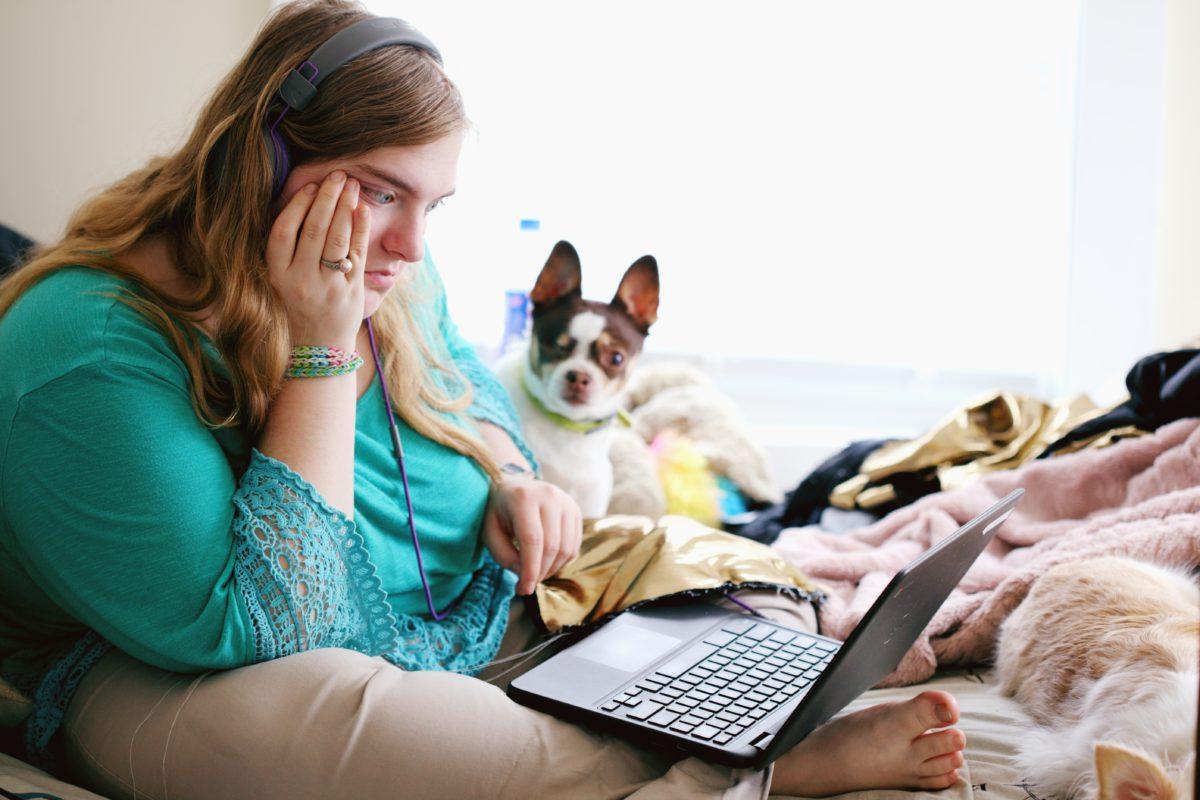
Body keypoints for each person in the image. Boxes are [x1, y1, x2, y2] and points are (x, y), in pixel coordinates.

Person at [0, 2, 968, 797]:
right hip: (195, 672)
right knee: (355, 733)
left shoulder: (389, 261)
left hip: (472, 610)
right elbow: (275, 623)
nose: (413, 248)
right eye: (381, 192)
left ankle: (719, 716)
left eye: (434, 205)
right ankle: (756, 757)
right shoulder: (84, 344)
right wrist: (321, 346)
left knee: (736, 581)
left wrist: (514, 477)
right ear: (264, 163)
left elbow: (473, 394)